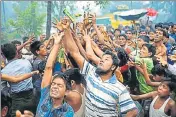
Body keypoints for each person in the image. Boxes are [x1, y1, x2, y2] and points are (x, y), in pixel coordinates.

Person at [60, 18, 138, 117]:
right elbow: (74, 53)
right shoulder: (91, 72)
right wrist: (66, 30)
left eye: (106, 60)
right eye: (102, 58)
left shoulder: (119, 89)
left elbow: (133, 111)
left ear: (113, 66)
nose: (101, 60)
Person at [36, 32, 74, 117]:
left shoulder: (68, 112)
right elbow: (48, 68)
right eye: (53, 84)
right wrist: (56, 44)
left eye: (60, 85)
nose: (54, 87)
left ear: (66, 91)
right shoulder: (45, 93)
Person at [1, 43, 34, 117]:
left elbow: (3, 89)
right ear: (16, 52)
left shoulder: (4, 72)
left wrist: (10, 92)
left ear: (3, 55)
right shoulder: (26, 62)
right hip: (31, 97)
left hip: (16, 99)